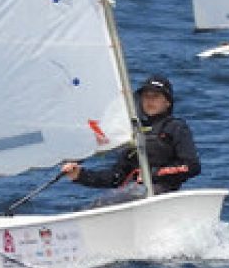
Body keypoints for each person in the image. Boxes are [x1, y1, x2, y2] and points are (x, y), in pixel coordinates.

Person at [61, 75, 201, 203]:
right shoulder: (132, 132)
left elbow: (192, 166)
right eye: (146, 96)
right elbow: (116, 177)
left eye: (155, 96)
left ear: (167, 102)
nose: (149, 101)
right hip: (132, 195)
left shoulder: (176, 127)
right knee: (102, 202)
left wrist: (153, 174)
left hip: (161, 194)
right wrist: (80, 175)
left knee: (123, 196)